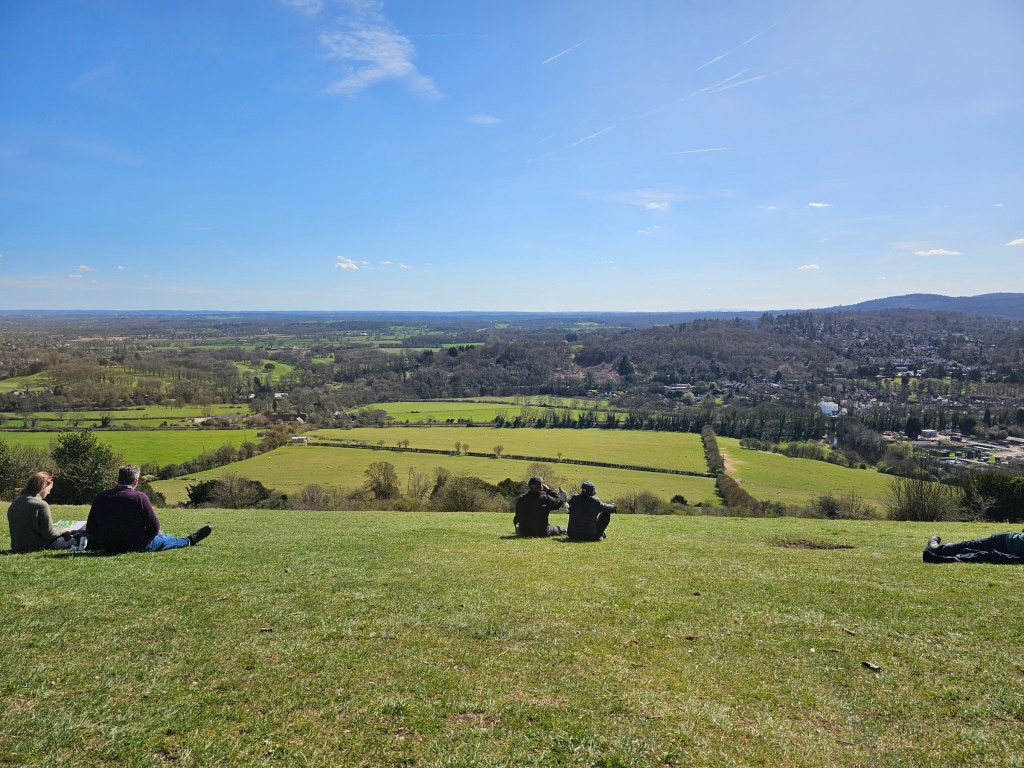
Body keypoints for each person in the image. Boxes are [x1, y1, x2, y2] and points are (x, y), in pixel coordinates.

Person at [87, 465, 212, 553]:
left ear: (118, 479)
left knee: (164, 538)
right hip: (137, 544)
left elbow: (91, 528)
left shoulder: (101, 497)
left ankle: (186, 540)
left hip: (108, 545)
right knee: (166, 539)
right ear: (135, 482)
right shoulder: (139, 497)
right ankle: (189, 540)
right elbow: (154, 527)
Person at [7, 471, 79, 553]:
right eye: (49, 489)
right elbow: (49, 534)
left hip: (18, 546)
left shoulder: (15, 502)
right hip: (36, 546)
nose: (49, 493)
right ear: (43, 486)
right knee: (80, 535)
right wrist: (63, 530)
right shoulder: (41, 505)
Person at [923, 532, 1024, 564]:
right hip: (1004, 541)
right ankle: (935, 548)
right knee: (967, 546)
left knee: (969, 547)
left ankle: (937, 549)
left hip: (1007, 542)